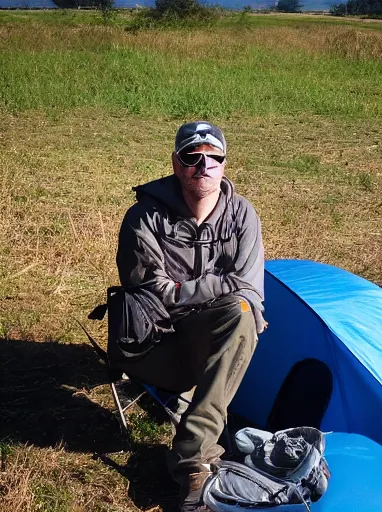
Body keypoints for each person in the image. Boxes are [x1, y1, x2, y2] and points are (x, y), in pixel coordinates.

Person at [112, 121, 266, 512]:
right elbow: (154, 298)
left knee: (243, 314)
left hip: (208, 341)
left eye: (213, 157)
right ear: (176, 165)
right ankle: (204, 456)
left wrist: (191, 292)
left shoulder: (243, 216)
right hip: (154, 347)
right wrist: (220, 283)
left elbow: (250, 294)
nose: (203, 165)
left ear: (225, 164)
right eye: (191, 157)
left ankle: (192, 459)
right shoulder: (143, 218)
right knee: (232, 312)